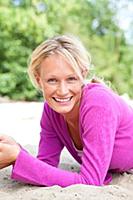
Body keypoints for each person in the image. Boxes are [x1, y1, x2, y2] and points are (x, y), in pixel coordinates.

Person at [0, 34, 133, 187]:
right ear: (38, 80)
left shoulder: (98, 104)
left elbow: (91, 181)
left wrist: (18, 157)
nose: (62, 91)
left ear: (83, 75)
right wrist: (15, 151)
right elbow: (46, 165)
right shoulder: (51, 110)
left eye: (71, 79)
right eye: (52, 80)